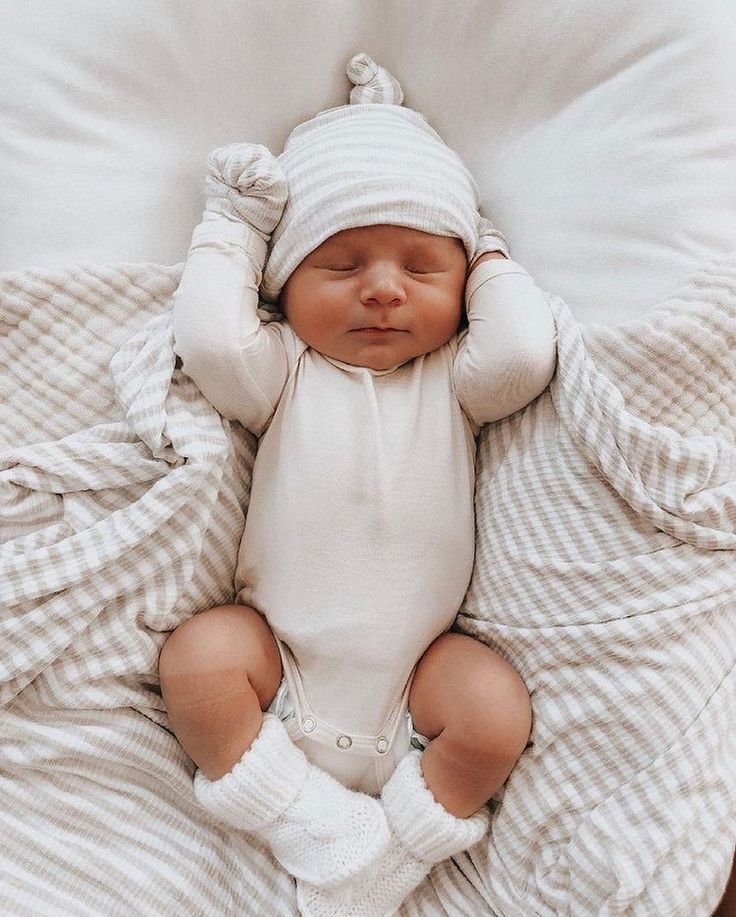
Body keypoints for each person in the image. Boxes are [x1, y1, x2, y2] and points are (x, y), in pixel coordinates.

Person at [159, 53, 557, 916]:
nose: (382, 289)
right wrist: (233, 224)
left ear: (463, 286)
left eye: (423, 266)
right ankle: (305, 819)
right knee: (198, 659)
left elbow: (527, 352)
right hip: (280, 665)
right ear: (284, 285)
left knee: (492, 708)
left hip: (419, 680)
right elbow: (212, 341)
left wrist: (483, 244)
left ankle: (393, 858)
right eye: (340, 266)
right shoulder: (288, 373)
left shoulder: (457, 380)